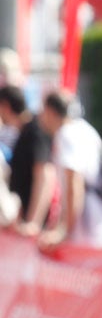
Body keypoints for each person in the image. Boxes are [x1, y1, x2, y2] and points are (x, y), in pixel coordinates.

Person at [36, 90, 102, 249]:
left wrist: (64, 231)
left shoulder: (66, 135)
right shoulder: (84, 129)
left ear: (50, 111)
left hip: (91, 232)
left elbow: (74, 185)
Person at [0, 85, 54, 236]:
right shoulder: (23, 132)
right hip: (21, 225)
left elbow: (44, 176)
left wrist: (33, 222)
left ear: (5, 106)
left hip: (31, 229)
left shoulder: (35, 131)